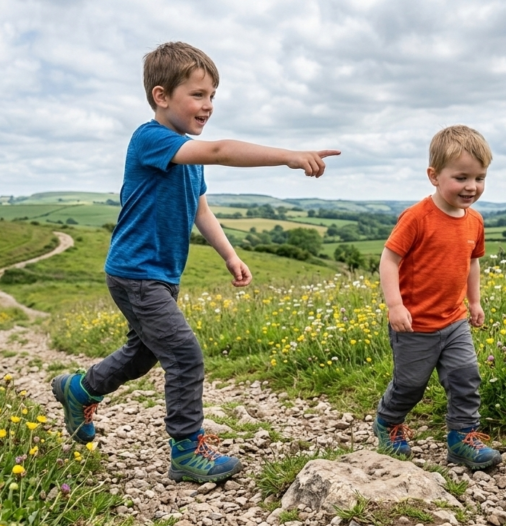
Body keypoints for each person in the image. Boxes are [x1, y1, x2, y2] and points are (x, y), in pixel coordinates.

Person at [51, 42, 339, 483]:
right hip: (135, 273)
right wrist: (288, 155)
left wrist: (230, 255)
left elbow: (200, 209)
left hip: (160, 275)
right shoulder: (151, 140)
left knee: (142, 355)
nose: (207, 106)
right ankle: (186, 449)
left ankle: (79, 389)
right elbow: (222, 151)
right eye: (198, 95)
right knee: (185, 357)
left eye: (213, 97)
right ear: (161, 96)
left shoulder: (186, 154)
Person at [372, 125, 501, 470]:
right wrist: (395, 305)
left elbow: (471, 263)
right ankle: (388, 421)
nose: (471, 187)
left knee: (465, 376)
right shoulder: (417, 218)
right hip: (415, 325)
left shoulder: (474, 221)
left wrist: (474, 302)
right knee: (411, 385)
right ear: (433, 175)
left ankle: (463, 438)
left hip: (454, 320)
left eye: (479, 177)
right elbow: (389, 259)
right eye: (461, 177)